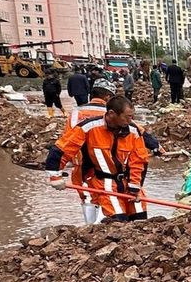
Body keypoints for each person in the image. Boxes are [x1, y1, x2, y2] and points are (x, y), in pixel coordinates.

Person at [44, 94, 150, 222]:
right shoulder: (89, 127)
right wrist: (55, 175)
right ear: (112, 113)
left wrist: (135, 186)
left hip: (129, 182)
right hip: (103, 183)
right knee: (119, 222)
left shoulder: (133, 131)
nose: (131, 120)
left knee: (140, 220)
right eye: (127, 117)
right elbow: (63, 149)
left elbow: (139, 160)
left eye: (132, 116)